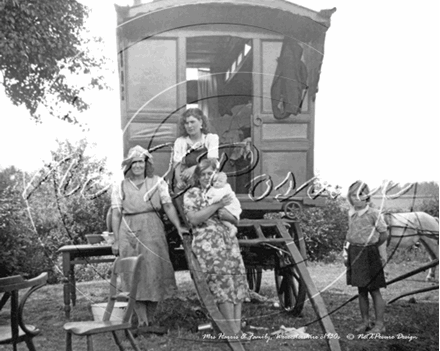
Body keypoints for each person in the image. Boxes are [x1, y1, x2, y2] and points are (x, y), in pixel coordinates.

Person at [111, 145, 186, 333]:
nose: (137, 166)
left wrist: (179, 227)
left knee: (153, 271)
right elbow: (116, 213)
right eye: (134, 162)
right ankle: (142, 321)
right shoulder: (120, 186)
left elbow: (168, 206)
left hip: (152, 229)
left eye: (141, 162)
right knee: (132, 273)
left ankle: (151, 320)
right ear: (128, 166)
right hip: (128, 231)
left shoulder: (157, 182)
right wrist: (116, 240)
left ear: (146, 165)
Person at [183, 158, 249, 336]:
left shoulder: (222, 190)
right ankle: (229, 330)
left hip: (228, 239)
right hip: (208, 242)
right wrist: (218, 205)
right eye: (202, 174)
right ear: (198, 177)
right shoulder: (192, 194)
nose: (206, 177)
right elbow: (195, 219)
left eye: (209, 173)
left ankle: (235, 328)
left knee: (236, 279)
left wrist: (226, 214)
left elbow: (235, 218)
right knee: (221, 281)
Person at [345, 180, 388, 335]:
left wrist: (374, 246)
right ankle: (365, 321)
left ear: (367, 196)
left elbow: (384, 234)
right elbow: (350, 235)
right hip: (354, 253)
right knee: (361, 290)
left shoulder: (373, 214)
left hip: (369, 253)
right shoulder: (351, 213)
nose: (356, 198)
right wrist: (347, 252)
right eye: (353, 195)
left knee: (374, 290)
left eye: (360, 195)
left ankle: (379, 324)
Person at [173, 108, 219, 190]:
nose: (189, 126)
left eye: (192, 122)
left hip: (207, 178)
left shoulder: (211, 139)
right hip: (189, 180)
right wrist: (179, 181)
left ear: (201, 122)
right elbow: (177, 166)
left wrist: (194, 168)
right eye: (186, 123)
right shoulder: (180, 141)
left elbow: (212, 161)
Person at [204, 171, 241, 238]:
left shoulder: (225, 188)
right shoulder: (213, 188)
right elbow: (207, 195)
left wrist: (210, 201)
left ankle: (232, 227)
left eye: (220, 181)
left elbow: (218, 197)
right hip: (222, 206)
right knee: (220, 217)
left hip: (230, 206)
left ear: (225, 182)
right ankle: (231, 227)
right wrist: (207, 197)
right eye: (215, 181)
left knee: (222, 216)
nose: (217, 183)